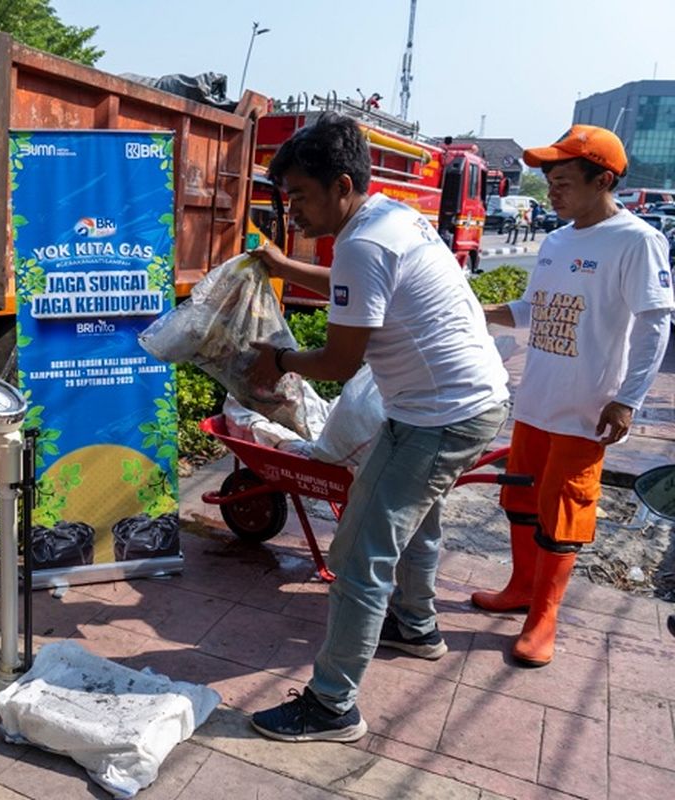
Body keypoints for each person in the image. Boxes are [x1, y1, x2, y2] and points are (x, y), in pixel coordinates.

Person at [245, 112, 509, 743]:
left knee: (360, 552)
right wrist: (285, 267)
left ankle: (333, 705)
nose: (296, 210)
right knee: (419, 517)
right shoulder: (389, 218)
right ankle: (416, 627)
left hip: (436, 414)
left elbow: (339, 362)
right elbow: (356, 288)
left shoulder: (363, 244)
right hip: (468, 401)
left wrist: (276, 358)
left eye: (302, 196)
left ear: (341, 185)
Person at [474, 125, 673, 667]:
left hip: (587, 409)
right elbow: (527, 311)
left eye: (562, 181)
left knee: (563, 513)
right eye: (550, 182)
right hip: (535, 397)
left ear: (603, 179)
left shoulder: (636, 240)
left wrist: (628, 398)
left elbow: (656, 326)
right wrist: (468, 305)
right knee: (519, 498)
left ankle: (544, 617)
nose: (552, 194)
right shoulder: (557, 240)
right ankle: (520, 587)